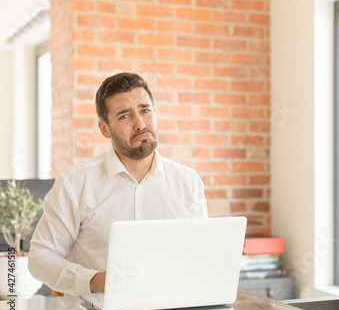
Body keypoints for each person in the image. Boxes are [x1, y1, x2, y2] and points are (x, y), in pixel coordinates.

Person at [28, 72, 208, 296]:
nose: (140, 124)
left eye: (145, 110)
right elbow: (40, 257)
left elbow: (199, 255)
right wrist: (93, 281)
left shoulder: (188, 182)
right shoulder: (75, 184)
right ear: (104, 129)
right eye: (125, 116)